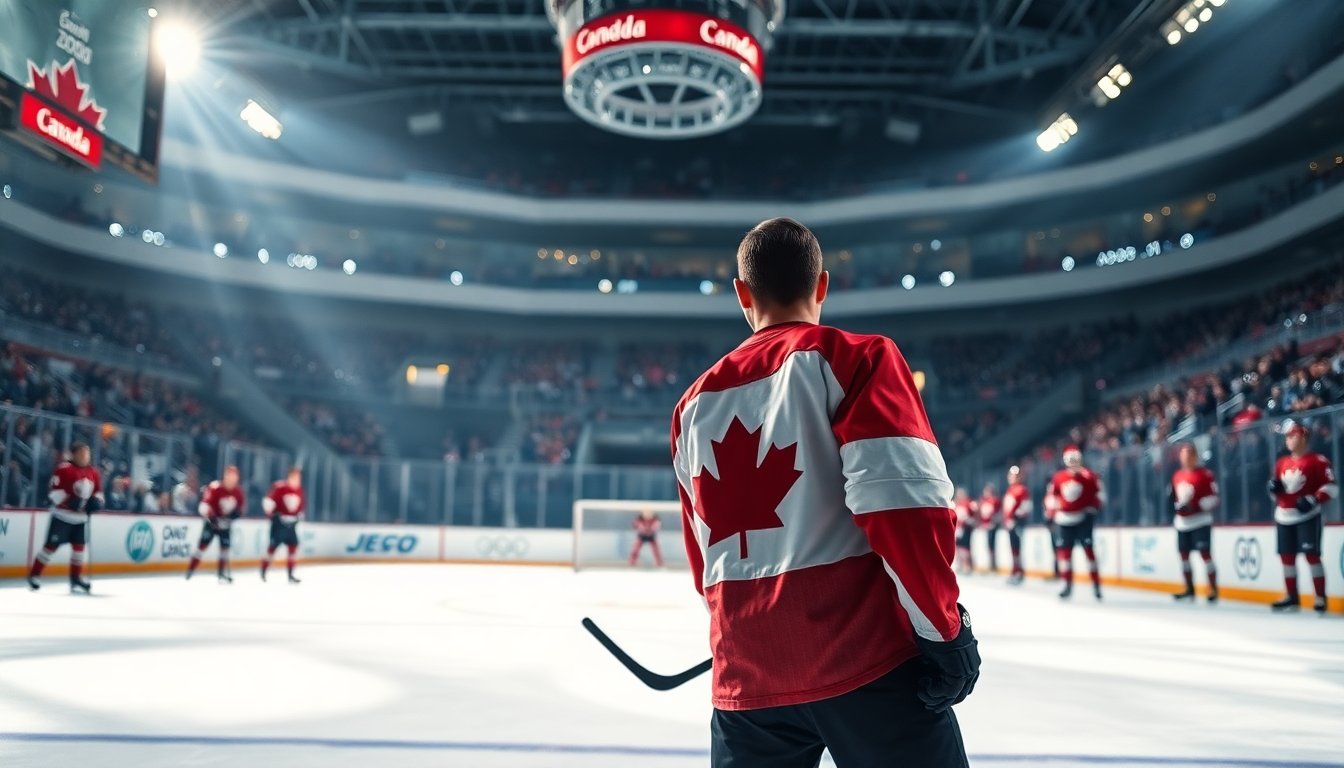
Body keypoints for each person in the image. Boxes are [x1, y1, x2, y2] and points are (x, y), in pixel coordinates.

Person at [671, 218, 977, 767]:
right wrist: (943, 629)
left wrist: (746, 640)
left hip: (746, 677)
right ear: (822, 285)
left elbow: (705, 562)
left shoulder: (691, 407)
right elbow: (905, 506)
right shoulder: (858, 359)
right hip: (866, 665)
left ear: (742, 293)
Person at [1268, 419, 1336, 613]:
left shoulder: (1318, 461)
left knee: (1312, 556)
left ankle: (1320, 597)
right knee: (1286, 558)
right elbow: (1276, 491)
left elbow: (1331, 487)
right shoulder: (1282, 462)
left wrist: (1315, 500)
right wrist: (1274, 490)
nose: (1288, 440)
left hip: (1308, 517)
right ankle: (1292, 596)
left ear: (1303, 436)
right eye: (1287, 437)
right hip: (1283, 516)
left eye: (1292, 435)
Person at [27, 442, 102, 593]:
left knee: (79, 549)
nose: (85, 457)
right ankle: (35, 574)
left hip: (80, 520)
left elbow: (98, 493)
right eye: (81, 454)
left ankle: (75, 579)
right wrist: (69, 502)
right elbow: (54, 493)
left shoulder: (93, 472)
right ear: (73, 454)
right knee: (50, 547)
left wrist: (97, 503)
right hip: (62, 517)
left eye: (87, 454)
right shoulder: (64, 469)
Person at [1045, 445, 1104, 600]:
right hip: (1064, 520)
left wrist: (1093, 510)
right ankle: (1067, 584)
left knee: (1089, 551)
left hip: (1083, 518)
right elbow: (1051, 496)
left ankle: (1096, 584)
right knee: (1065, 554)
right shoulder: (1058, 478)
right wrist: (1051, 513)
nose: (1073, 462)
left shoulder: (1089, 476)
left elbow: (1098, 495)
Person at [1169, 444, 1219, 602]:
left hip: (1200, 521)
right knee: (1184, 556)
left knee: (1205, 555)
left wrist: (1196, 505)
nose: (1186, 457)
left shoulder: (1205, 474)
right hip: (1182, 523)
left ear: (1195, 456)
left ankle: (1212, 588)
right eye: (1183, 454)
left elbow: (1214, 498)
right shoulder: (1177, 476)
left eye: (1189, 454)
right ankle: (1189, 588)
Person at [187, 464, 246, 583]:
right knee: (202, 547)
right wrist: (212, 517)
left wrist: (234, 516)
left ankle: (221, 574)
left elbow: (240, 509)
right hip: (211, 523)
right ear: (225, 476)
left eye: (234, 476)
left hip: (226, 524)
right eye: (230, 475)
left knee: (225, 549)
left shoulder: (238, 492)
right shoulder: (215, 487)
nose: (232, 479)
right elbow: (204, 505)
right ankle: (191, 570)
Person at [261, 466, 305, 584]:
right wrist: (272, 515)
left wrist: (299, 516)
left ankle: (291, 575)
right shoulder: (279, 487)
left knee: (293, 547)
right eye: (295, 477)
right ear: (290, 476)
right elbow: (268, 502)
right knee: (272, 548)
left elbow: (300, 508)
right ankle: (264, 570)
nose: (297, 479)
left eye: (298, 477)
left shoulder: (299, 490)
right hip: (279, 525)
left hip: (291, 526)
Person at [1001, 466, 1032, 585]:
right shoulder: (1010, 490)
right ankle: (1015, 571)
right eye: (1011, 475)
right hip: (1011, 524)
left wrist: (1015, 518)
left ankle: (1018, 572)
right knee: (1014, 549)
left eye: (1014, 476)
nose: (1012, 478)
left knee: (1017, 549)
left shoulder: (1022, 490)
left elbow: (1026, 507)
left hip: (1017, 524)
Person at [977, 483, 1001, 574]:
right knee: (988, 546)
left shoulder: (995, 501)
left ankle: (993, 565)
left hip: (992, 526)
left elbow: (999, 513)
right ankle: (991, 565)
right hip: (986, 527)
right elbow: (980, 515)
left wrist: (994, 522)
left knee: (992, 546)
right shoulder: (984, 501)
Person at [953, 487, 975, 575]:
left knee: (965, 548)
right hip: (958, 529)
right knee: (959, 548)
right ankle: (961, 565)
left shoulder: (968, 503)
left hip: (966, 529)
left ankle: (967, 566)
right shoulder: (956, 504)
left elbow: (974, 516)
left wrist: (969, 521)